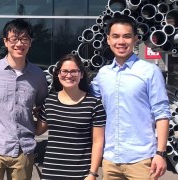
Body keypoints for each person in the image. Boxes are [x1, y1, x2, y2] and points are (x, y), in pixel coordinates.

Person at [90, 14, 171, 180]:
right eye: (115, 36)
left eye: (127, 36)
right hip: (110, 160)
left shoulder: (150, 71)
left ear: (135, 39)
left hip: (141, 160)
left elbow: (162, 113)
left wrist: (161, 153)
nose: (121, 41)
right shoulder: (103, 74)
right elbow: (85, 100)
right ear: (108, 40)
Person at [0, 19, 48, 180]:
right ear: (5, 42)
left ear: (30, 43)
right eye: (14, 39)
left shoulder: (38, 76)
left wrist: (39, 127)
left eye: (24, 39)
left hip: (23, 150)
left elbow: (45, 107)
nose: (19, 44)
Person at [36, 54, 106, 180]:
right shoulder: (49, 101)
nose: (68, 75)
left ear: (82, 74)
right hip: (51, 173)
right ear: (58, 74)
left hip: (80, 174)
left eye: (74, 71)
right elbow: (38, 130)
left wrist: (93, 173)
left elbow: (98, 142)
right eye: (64, 71)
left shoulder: (94, 104)